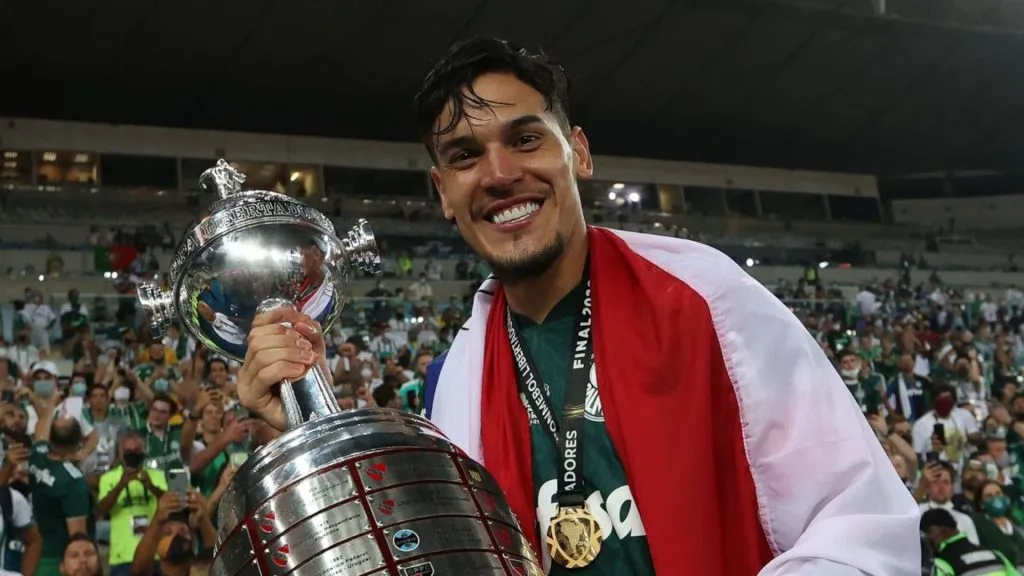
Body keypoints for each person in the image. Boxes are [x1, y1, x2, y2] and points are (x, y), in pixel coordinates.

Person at [236, 37, 918, 574]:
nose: (501, 175)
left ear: (579, 153)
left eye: (526, 139)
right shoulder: (454, 381)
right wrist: (305, 429)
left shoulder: (708, 299)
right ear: (443, 191)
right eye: (466, 155)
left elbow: (859, 520)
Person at [922, 508, 1020, 575]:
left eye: (928, 532)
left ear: (943, 530)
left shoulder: (941, 564)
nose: (926, 537)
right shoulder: (996, 555)